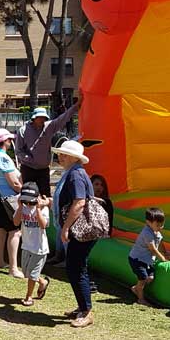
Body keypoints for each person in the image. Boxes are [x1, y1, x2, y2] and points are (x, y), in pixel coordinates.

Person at [51, 139, 97, 328]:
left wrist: (66, 227)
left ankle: (86, 311)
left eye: (64, 154)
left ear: (74, 157)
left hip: (80, 229)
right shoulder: (75, 173)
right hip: (81, 229)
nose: (60, 157)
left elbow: (79, 203)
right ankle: (83, 307)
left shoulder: (75, 175)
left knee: (76, 268)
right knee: (75, 267)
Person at [14, 97, 81, 196]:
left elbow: (63, 118)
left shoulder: (49, 126)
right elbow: (18, 151)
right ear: (34, 118)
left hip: (43, 169)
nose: (43, 120)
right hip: (28, 168)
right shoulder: (23, 130)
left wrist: (76, 106)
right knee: (28, 194)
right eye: (40, 117)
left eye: (44, 118)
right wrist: (30, 159)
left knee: (45, 194)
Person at [0, 128, 24, 277]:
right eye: (10, 139)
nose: (11, 142)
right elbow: (13, 182)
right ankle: (13, 268)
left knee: (0, 228)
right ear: (5, 141)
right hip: (7, 198)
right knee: (15, 231)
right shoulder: (3, 157)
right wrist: (24, 191)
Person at [13, 182, 50, 306]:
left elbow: (43, 225)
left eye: (31, 202)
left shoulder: (43, 209)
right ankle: (43, 282)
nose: (28, 204)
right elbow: (16, 222)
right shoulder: (22, 208)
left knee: (32, 274)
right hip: (26, 245)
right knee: (26, 272)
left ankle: (28, 297)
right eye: (25, 201)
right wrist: (20, 206)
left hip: (39, 248)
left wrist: (38, 209)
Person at [129, 207, 167, 306]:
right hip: (137, 259)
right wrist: (162, 258)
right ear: (148, 222)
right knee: (142, 279)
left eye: (162, 225)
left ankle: (136, 288)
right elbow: (153, 249)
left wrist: (166, 254)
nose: (160, 227)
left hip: (147, 260)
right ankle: (141, 299)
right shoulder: (147, 233)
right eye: (158, 225)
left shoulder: (156, 232)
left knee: (150, 278)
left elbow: (161, 243)